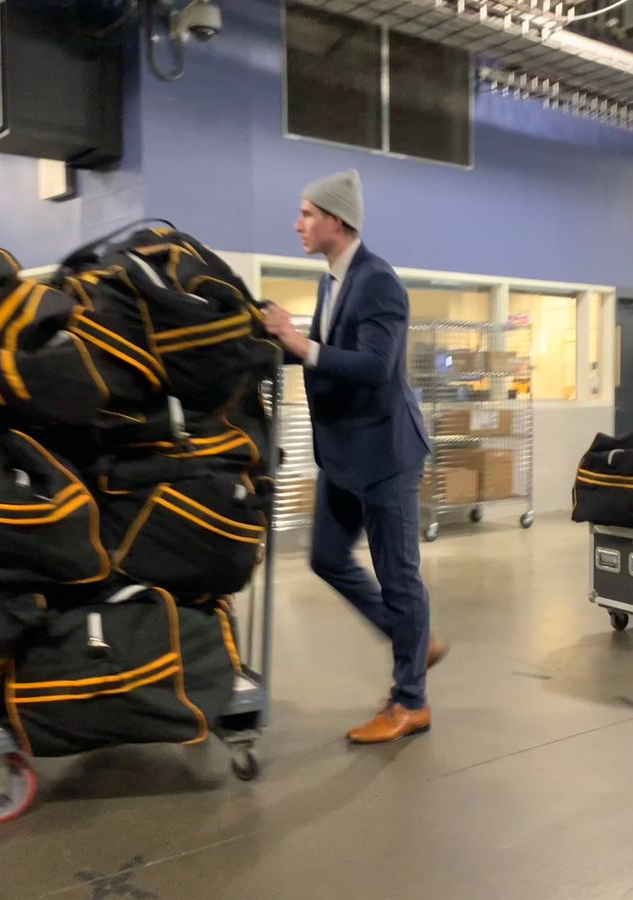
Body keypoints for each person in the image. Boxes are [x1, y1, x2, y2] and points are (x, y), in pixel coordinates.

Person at [262, 170, 444, 743]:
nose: (299, 224)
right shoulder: (331, 282)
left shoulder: (378, 282)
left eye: (308, 214)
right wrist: (267, 343)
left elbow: (373, 366)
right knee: (325, 557)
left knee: (399, 577)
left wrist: (298, 343)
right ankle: (411, 637)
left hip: (385, 453)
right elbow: (327, 353)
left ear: (337, 221)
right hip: (343, 452)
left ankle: (411, 701)